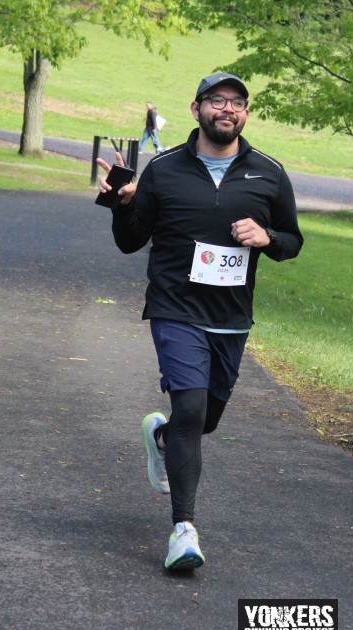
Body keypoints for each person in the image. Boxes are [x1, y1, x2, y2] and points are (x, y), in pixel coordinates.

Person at [96, 73, 303, 571]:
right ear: (196, 109)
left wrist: (267, 238)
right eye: (217, 100)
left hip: (231, 317)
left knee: (203, 421)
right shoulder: (164, 168)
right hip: (175, 308)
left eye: (237, 102)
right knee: (189, 408)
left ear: (246, 114)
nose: (227, 109)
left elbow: (292, 241)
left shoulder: (269, 173)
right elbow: (130, 241)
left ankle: (162, 439)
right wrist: (123, 205)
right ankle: (183, 531)